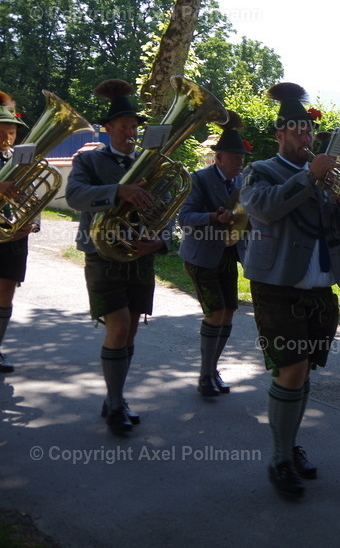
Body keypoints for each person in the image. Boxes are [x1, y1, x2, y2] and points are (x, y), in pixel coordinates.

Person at [240, 82, 340, 498]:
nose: (304, 138)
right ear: (279, 135)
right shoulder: (260, 170)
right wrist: (310, 176)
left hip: (319, 287)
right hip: (277, 285)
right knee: (291, 370)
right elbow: (265, 208)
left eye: (308, 132)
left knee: (304, 369)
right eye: (295, 131)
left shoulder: (328, 176)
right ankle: (279, 457)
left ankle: (290, 444)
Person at [65, 79, 168, 432]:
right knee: (119, 325)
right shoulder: (89, 160)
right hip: (102, 253)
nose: (130, 132)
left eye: (133, 127)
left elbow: (167, 209)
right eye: (123, 126)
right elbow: (76, 196)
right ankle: (113, 402)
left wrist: (161, 241)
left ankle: (117, 395)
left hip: (140, 254)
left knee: (131, 331)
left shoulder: (149, 162)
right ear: (107, 129)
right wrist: (117, 191)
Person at [177, 112, 250, 397]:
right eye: (235, 158)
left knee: (229, 312)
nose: (239, 163)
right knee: (216, 311)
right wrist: (212, 217)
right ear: (219, 157)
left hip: (227, 255)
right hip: (200, 256)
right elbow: (185, 217)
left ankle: (212, 369)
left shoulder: (241, 181)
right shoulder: (199, 179)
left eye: (241, 159)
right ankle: (205, 374)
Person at [0, 93, 33, 373]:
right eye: (1, 131)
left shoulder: (19, 160)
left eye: (11, 131)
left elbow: (34, 198)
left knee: (5, 293)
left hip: (12, 236)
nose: (7, 137)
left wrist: (31, 223)